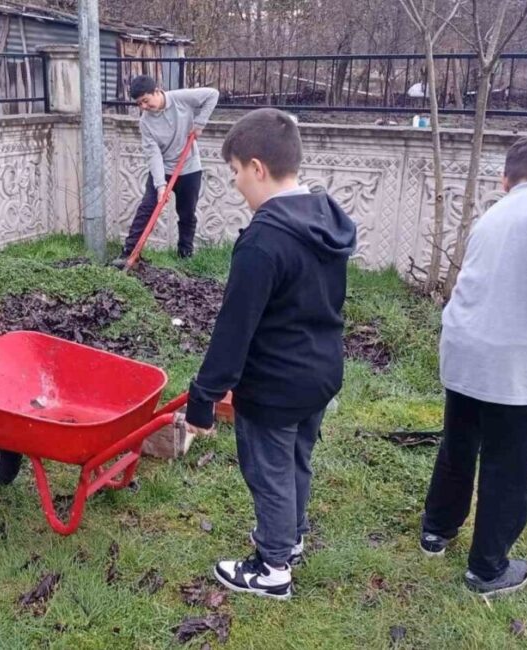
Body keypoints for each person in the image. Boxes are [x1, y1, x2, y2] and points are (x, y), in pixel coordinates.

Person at [184, 108, 357, 600]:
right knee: (297, 457)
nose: (236, 183)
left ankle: (272, 567)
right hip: (321, 370)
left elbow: (234, 331)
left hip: (276, 382)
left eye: (236, 171)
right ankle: (293, 535)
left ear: (257, 167)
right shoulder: (325, 216)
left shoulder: (264, 240)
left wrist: (204, 397)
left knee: (269, 469)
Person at [419, 134, 527, 597]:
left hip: (464, 343)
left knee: (459, 443)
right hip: (510, 356)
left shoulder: (494, 212)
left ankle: (437, 530)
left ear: (504, 179)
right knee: (506, 463)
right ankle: (488, 569)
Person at [111, 75, 219, 265]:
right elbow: (153, 155)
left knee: (186, 213)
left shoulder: (180, 99)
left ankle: (185, 255)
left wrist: (200, 123)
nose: (143, 107)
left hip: (189, 167)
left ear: (156, 91)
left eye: (145, 100)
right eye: (139, 104)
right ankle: (129, 253)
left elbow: (212, 94)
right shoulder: (145, 122)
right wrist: (161, 184)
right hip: (163, 169)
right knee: (147, 208)